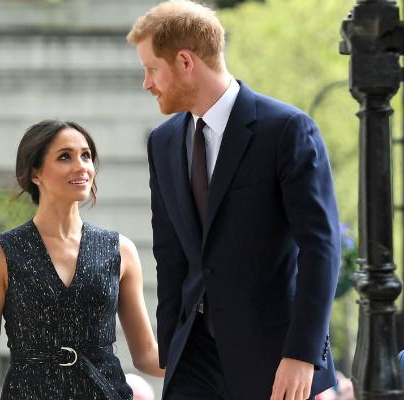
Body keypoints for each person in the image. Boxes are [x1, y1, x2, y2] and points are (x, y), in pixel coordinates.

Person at [127, 1, 341, 399]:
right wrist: (172, 345)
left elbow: (321, 248)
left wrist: (302, 354)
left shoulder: (286, 130)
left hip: (275, 359)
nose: (147, 83)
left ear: (185, 62)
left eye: (152, 69)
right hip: (194, 359)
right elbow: (170, 252)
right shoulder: (163, 141)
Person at [0, 119, 164, 400]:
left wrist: (217, 355)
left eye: (86, 155)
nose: (81, 165)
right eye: (64, 157)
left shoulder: (120, 250)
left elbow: (146, 355)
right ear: (35, 173)